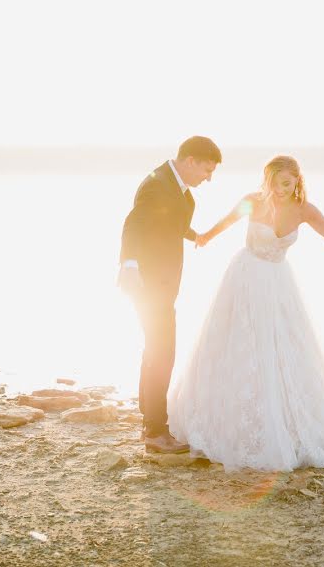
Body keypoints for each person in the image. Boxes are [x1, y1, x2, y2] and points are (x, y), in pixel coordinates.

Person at [167, 155, 324, 471]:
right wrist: (201, 237)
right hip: (245, 279)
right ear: (268, 181)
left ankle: (284, 424)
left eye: (287, 184)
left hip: (278, 285)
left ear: (297, 181)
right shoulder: (253, 201)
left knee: (284, 351)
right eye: (275, 184)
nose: (280, 190)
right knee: (238, 348)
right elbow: (223, 224)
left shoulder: (305, 210)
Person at [118, 135, 221, 453]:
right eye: (207, 169)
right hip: (146, 282)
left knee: (155, 351)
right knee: (162, 353)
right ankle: (155, 431)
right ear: (190, 161)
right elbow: (134, 223)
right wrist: (130, 265)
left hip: (165, 284)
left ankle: (150, 423)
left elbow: (167, 222)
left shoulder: (183, 194)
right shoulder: (157, 182)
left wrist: (195, 235)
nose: (209, 177)